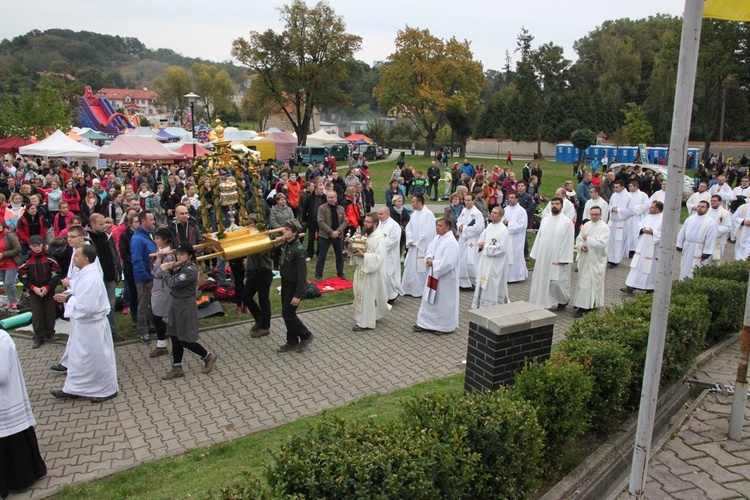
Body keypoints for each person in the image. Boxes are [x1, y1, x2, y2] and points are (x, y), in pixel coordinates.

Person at [52, 245, 118, 403]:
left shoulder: (92, 278)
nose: (73, 259)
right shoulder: (84, 274)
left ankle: (106, 389)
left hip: (93, 327)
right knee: (77, 359)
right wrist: (69, 293)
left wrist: (67, 299)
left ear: (85, 259)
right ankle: (73, 388)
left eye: (76, 256)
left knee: (96, 359)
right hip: (83, 326)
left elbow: (87, 306)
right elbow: (78, 290)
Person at [0, 330, 47, 498]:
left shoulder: (1, 339)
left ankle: (19, 479)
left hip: (6, 402)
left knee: (12, 442)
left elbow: (2, 375)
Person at [160, 243, 218, 379]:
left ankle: (207, 356)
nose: (179, 256)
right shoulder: (181, 266)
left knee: (185, 338)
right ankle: (177, 367)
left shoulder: (190, 270)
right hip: (176, 303)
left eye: (182, 254)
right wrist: (169, 269)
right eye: (178, 254)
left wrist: (164, 270)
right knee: (174, 335)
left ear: (189, 255)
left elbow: (172, 283)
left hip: (185, 305)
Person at [413, 218, 460, 334]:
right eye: (437, 225)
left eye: (440, 226)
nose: (437, 227)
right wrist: (428, 257)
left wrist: (433, 263)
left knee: (442, 301)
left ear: (447, 228)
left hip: (445, 279)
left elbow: (449, 262)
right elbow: (429, 249)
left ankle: (443, 326)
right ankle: (424, 323)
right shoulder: (437, 238)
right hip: (433, 275)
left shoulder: (451, 242)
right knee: (428, 299)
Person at [274, 219, 314, 352]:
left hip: (293, 287)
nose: (283, 231)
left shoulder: (298, 251)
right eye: (284, 229)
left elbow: (302, 276)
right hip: (285, 284)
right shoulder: (286, 244)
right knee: (286, 313)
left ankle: (306, 335)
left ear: (295, 232)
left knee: (288, 314)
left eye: (287, 230)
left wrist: (298, 295)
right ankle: (291, 341)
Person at [528, 198, 575, 310]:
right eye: (552, 203)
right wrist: (535, 254)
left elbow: (568, 240)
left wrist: (564, 258)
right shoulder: (545, 219)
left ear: (562, 206)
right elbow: (539, 237)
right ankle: (542, 301)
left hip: (557, 256)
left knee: (556, 282)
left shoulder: (566, 222)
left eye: (557, 204)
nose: (554, 206)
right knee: (542, 279)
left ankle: (563, 299)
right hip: (543, 255)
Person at [18, 235, 61, 349]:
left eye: (39, 245)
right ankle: (38, 336)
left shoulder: (49, 258)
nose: (37, 248)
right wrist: (33, 288)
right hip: (34, 290)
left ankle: (50, 333)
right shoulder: (26, 259)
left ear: (43, 245)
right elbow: (22, 276)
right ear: (30, 246)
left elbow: (56, 273)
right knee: (37, 312)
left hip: (49, 289)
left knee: (50, 310)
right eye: (34, 246)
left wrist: (48, 287)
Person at [350, 213, 391, 331]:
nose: (365, 224)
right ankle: (365, 318)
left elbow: (379, 258)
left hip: (371, 273)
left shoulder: (379, 238)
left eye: (368, 222)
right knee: (359, 296)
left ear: (375, 224)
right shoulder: (366, 235)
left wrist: (364, 255)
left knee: (367, 298)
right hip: (361, 270)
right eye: (365, 221)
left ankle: (365, 323)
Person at [571, 206, 610, 316]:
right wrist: (581, 246)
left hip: (596, 260)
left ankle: (587, 307)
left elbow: (602, 244)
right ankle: (582, 303)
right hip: (585, 258)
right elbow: (579, 239)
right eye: (592, 214)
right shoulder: (587, 225)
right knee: (583, 281)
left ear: (600, 215)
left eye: (596, 214)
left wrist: (588, 239)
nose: (594, 216)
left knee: (591, 282)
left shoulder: (604, 228)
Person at [471, 206, 511, 308]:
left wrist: (486, 246)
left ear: (501, 216)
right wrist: (481, 245)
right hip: (485, 260)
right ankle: (481, 305)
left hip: (495, 263)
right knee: (483, 281)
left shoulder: (503, 230)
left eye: (495, 213)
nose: (492, 214)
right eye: (492, 212)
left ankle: (492, 306)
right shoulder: (489, 226)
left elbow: (502, 249)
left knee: (492, 283)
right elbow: (482, 239)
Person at [622, 201, 664, 294]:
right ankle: (630, 286)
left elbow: (664, 234)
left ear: (657, 209)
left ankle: (650, 288)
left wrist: (653, 232)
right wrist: (642, 230)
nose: (650, 208)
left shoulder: (663, 219)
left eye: (652, 207)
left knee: (650, 268)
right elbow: (639, 225)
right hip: (642, 247)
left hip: (653, 249)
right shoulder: (648, 217)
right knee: (637, 266)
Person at [243, 214, 273, 338]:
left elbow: (257, 253)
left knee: (263, 300)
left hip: (263, 272)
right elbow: (249, 258)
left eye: (251, 223)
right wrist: (246, 274)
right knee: (246, 296)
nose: (249, 225)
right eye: (248, 223)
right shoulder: (250, 236)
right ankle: (259, 318)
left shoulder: (264, 236)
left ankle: (265, 327)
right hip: (252, 272)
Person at [148, 227, 176, 358]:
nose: (156, 241)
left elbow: (157, 273)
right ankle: (162, 343)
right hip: (159, 287)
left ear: (165, 240)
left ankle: (163, 344)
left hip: (165, 289)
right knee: (157, 316)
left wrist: (158, 260)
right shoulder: (160, 252)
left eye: (158, 238)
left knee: (158, 316)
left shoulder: (168, 255)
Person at [401, 195, 436, 297]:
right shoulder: (415, 214)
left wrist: (417, 242)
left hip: (422, 248)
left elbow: (429, 232)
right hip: (413, 246)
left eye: (413, 202)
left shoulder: (428, 214)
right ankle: (409, 289)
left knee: (421, 269)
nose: (411, 204)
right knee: (411, 268)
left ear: (419, 203)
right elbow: (409, 228)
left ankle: (420, 290)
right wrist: (410, 240)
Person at [676, 201, 719, 280]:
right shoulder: (690, 218)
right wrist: (679, 244)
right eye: (698, 206)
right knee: (685, 266)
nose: (699, 208)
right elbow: (682, 231)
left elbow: (711, 238)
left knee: (695, 267)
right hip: (688, 246)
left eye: (702, 207)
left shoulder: (710, 222)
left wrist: (707, 251)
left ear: (707, 209)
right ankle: (682, 282)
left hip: (699, 248)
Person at [315, 190, 346, 282]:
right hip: (325, 236)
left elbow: (345, 221)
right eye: (329, 197)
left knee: (340, 256)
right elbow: (321, 222)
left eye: (332, 197)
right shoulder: (322, 208)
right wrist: (331, 232)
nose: (330, 199)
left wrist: (338, 231)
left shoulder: (341, 209)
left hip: (338, 236)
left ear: (336, 198)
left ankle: (340, 273)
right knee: (321, 256)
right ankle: (318, 276)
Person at [457, 193, 485, 289]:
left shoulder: (477, 213)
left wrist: (464, 229)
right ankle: (463, 282)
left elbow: (479, 227)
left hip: (472, 241)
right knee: (461, 260)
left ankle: (473, 282)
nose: (467, 202)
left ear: (473, 201)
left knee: (471, 260)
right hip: (463, 240)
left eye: (469, 200)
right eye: (465, 200)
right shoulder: (464, 210)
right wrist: (459, 226)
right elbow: (458, 220)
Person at [377, 206, 404, 305]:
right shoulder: (379, 223)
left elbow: (394, 240)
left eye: (381, 214)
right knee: (380, 274)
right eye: (378, 214)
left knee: (387, 274)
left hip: (390, 254)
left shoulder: (394, 225)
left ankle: (393, 294)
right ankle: (384, 295)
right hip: (379, 253)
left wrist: (381, 244)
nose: (378, 216)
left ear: (387, 214)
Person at [621, 180, 650, 257]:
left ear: (636, 187)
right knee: (629, 233)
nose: (629, 188)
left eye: (631, 186)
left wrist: (635, 209)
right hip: (629, 218)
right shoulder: (628, 195)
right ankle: (628, 249)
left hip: (637, 217)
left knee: (635, 233)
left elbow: (647, 205)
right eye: (629, 186)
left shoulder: (643, 195)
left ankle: (635, 250)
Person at [607, 180, 631, 268]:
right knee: (610, 241)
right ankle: (610, 258)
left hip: (621, 222)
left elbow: (631, 211)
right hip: (612, 221)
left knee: (618, 242)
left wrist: (619, 210)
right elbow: (609, 205)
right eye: (614, 187)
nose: (615, 189)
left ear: (622, 186)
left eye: (617, 187)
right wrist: (611, 208)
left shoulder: (628, 196)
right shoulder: (614, 195)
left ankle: (616, 260)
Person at [0, 222, 21, 312]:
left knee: (9, 283)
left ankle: (15, 301)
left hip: (11, 262)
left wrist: (3, 254)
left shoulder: (9, 235)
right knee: (5, 284)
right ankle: (10, 301)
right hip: (1, 264)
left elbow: (17, 249)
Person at [707, 194, 732, 261]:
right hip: (706, 239)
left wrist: (715, 229)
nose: (712, 202)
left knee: (715, 261)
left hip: (717, 239)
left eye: (715, 201)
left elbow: (728, 227)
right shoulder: (707, 211)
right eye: (711, 200)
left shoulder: (725, 213)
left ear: (720, 202)